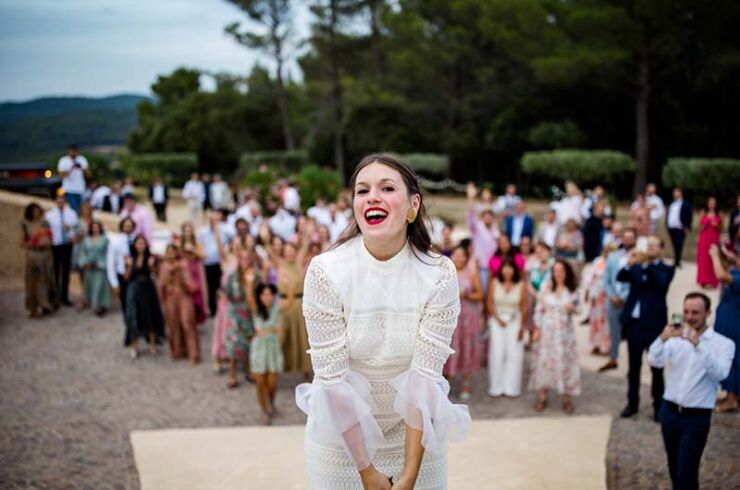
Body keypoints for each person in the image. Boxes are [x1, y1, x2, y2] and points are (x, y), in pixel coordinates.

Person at [295, 154, 470, 489]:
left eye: (387, 188)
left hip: (416, 435)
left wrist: (409, 475)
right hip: (342, 439)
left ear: (412, 205)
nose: (372, 197)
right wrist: (367, 472)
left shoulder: (439, 273)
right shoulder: (324, 271)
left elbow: (425, 378)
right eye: (362, 191)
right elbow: (332, 381)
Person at [648, 292, 734, 490]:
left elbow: (720, 374)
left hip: (696, 417)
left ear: (708, 313)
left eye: (696, 312)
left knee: (686, 472)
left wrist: (698, 345)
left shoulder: (723, 344)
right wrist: (662, 338)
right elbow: (655, 360)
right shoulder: (676, 339)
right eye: (686, 312)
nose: (690, 317)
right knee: (673, 468)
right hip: (669, 411)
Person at [618, 235, 675, 421]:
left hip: (653, 327)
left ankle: (658, 406)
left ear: (661, 249)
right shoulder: (637, 266)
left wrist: (647, 266)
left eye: (653, 245)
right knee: (633, 368)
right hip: (635, 325)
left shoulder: (665, 269)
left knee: (656, 368)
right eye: (648, 245)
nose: (649, 248)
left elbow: (661, 285)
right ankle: (631, 403)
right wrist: (630, 263)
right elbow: (621, 276)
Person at [529, 259, 581, 414]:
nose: (557, 273)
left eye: (561, 270)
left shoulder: (572, 290)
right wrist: (537, 328)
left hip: (565, 332)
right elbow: (539, 309)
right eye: (555, 270)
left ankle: (567, 397)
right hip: (548, 330)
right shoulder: (546, 288)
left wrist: (573, 308)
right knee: (545, 361)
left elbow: (580, 309)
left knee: (566, 362)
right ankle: (542, 396)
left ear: (566, 272)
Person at [444, 245, 483, 400]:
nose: (459, 258)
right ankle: (446, 381)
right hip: (450, 318)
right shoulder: (445, 272)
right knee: (449, 347)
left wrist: (467, 294)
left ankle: (466, 383)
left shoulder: (471, 272)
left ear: (466, 257)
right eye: (456, 254)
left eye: (462, 255)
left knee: (466, 348)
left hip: (467, 317)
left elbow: (480, 295)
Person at [487, 259, 527, 398]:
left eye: (510, 268)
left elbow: (523, 307)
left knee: (514, 354)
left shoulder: (521, 285)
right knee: (497, 354)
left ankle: (512, 388)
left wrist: (522, 327)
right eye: (505, 267)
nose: (507, 270)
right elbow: (490, 304)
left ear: (515, 270)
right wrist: (498, 319)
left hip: (515, 320)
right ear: (501, 270)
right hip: (497, 321)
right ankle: (496, 387)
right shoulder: (494, 283)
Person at [599, 228, 637, 372]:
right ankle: (613, 358)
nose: (627, 241)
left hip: (629, 301)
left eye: (630, 238)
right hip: (613, 299)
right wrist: (612, 296)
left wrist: (625, 298)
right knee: (614, 331)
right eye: (625, 238)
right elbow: (607, 280)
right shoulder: (613, 257)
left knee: (631, 333)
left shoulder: (639, 257)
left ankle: (632, 365)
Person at [124, 235, 165, 358]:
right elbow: (126, 277)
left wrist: (152, 266)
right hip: (134, 289)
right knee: (133, 316)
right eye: (138, 243)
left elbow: (156, 275)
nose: (141, 246)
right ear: (135, 245)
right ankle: (134, 346)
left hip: (148, 289)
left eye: (143, 243)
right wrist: (130, 265)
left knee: (150, 315)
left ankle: (153, 344)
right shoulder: (130, 258)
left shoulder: (151, 258)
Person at [710, 243, 740, 413]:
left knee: (732, 357)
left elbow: (722, 276)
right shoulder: (736, 270)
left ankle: (732, 398)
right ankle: (732, 393)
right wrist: (722, 254)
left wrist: (714, 256)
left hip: (734, 320)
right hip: (728, 316)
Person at [158, 244, 200, 364]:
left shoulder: (183, 264)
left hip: (183, 296)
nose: (171, 253)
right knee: (173, 324)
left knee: (187, 322)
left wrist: (181, 273)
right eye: (168, 251)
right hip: (170, 298)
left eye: (173, 251)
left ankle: (194, 353)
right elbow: (161, 284)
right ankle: (178, 350)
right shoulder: (163, 266)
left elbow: (188, 280)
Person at [278, 238, 312, 381]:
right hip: (284, 304)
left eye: (292, 251)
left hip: (299, 304)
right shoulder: (280, 266)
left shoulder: (299, 265)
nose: (289, 253)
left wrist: (307, 233)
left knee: (301, 339)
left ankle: (306, 373)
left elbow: (305, 245)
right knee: (282, 338)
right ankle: (277, 369)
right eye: (287, 251)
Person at [251, 282, 285, 425]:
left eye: (269, 294)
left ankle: (271, 403)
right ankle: (264, 410)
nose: (267, 297)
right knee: (260, 383)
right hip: (259, 349)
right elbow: (261, 330)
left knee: (271, 383)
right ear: (259, 296)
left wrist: (287, 285)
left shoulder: (277, 309)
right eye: (264, 294)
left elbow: (289, 300)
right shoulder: (256, 310)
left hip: (273, 349)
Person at [223, 249, 256, 388]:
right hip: (236, 313)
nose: (244, 261)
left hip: (250, 314)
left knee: (250, 342)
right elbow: (227, 293)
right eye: (242, 258)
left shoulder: (256, 275)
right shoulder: (233, 276)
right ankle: (232, 373)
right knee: (234, 344)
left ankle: (249, 370)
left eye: (247, 258)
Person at [20, 203, 55, 318]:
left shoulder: (45, 223)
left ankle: (46, 303)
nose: (36, 213)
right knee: (35, 280)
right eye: (34, 211)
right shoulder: (25, 224)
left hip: (46, 255)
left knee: (46, 279)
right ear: (30, 212)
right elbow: (22, 242)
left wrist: (47, 243)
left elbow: (50, 238)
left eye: (38, 211)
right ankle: (36, 307)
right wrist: (33, 244)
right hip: (34, 255)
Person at [45, 192, 79, 307]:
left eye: (62, 199)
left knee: (65, 272)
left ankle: (64, 296)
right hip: (55, 246)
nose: (60, 201)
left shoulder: (72, 214)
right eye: (58, 199)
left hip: (67, 245)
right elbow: (47, 231)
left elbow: (75, 228)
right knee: (55, 272)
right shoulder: (49, 215)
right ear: (55, 200)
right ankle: (54, 297)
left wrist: (72, 236)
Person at [467, 182, 500, 295]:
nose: (488, 216)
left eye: (490, 214)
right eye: (485, 214)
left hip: (493, 270)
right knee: (480, 295)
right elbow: (471, 215)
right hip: (480, 269)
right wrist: (471, 197)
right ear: (482, 216)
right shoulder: (477, 227)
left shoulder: (496, 231)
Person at [199, 209, 233, 318]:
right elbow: (200, 245)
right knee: (210, 287)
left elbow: (229, 243)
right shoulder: (203, 232)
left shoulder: (225, 231)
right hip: (208, 263)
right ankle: (213, 310)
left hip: (220, 263)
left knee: (221, 286)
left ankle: (223, 308)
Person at [584, 244, 615, 356]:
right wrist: (587, 291)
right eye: (606, 250)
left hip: (608, 296)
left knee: (606, 322)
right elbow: (590, 276)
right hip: (596, 295)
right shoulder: (598, 261)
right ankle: (595, 344)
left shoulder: (614, 262)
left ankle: (606, 346)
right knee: (595, 321)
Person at [77, 221, 111, 317]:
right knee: (89, 285)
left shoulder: (105, 240)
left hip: (100, 266)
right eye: (93, 227)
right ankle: (89, 303)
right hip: (88, 266)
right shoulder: (86, 240)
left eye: (97, 227)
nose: (95, 229)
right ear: (91, 228)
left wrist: (101, 265)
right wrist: (84, 263)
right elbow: (83, 252)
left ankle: (100, 305)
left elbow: (107, 254)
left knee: (99, 286)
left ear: (100, 228)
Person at [107, 217, 136, 318]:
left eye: (130, 226)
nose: (128, 228)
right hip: (122, 275)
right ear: (122, 227)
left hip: (136, 274)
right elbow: (110, 263)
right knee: (125, 301)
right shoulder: (115, 242)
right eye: (126, 226)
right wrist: (114, 283)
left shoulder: (137, 239)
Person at [180, 222, 209, 324]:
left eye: (190, 230)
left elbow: (205, 256)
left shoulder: (197, 244)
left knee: (198, 295)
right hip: (185, 271)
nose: (188, 233)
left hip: (196, 270)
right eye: (186, 230)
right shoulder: (179, 244)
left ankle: (198, 316)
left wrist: (193, 249)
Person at [696, 196, 722, 289]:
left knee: (712, 259)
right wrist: (702, 227)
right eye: (710, 203)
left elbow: (721, 228)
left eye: (713, 203)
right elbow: (699, 227)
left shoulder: (719, 214)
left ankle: (712, 281)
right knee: (703, 259)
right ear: (707, 204)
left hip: (714, 238)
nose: (712, 205)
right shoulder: (703, 213)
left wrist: (716, 225)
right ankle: (703, 280)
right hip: (704, 238)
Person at [57, 144, 89, 213]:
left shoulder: (82, 159)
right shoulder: (63, 161)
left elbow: (88, 174)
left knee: (81, 208)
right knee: (74, 208)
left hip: (80, 188)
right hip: (69, 188)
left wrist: (82, 168)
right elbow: (60, 175)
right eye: (72, 151)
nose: (73, 153)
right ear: (68, 151)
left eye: (75, 151)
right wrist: (71, 168)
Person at [666, 187, 692, 268]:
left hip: (680, 228)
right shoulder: (671, 204)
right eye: (674, 192)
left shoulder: (686, 204)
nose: (675, 194)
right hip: (671, 227)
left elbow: (689, 216)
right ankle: (676, 260)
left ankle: (677, 261)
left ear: (681, 193)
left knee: (679, 244)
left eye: (677, 192)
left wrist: (688, 227)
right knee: (674, 244)